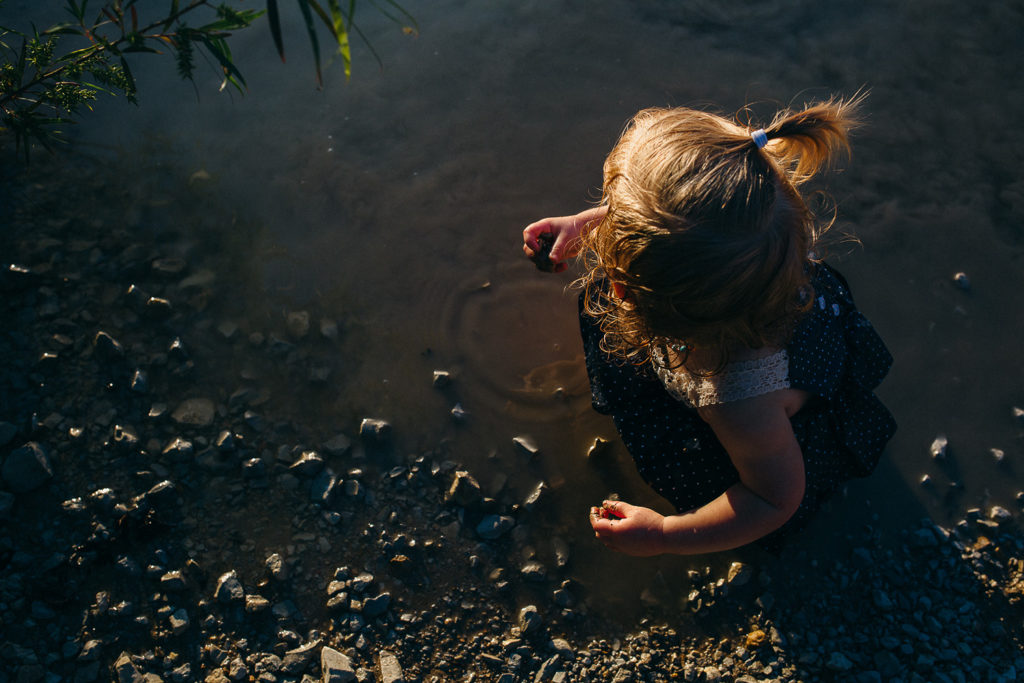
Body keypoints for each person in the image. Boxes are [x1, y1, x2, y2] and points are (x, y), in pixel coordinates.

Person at [522, 95, 896, 556]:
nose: (607, 224)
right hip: (792, 335)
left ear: (627, 293)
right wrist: (587, 225)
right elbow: (687, 230)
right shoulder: (761, 238)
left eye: (614, 217)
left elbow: (774, 497)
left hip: (771, 437)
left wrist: (666, 534)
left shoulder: (738, 402)